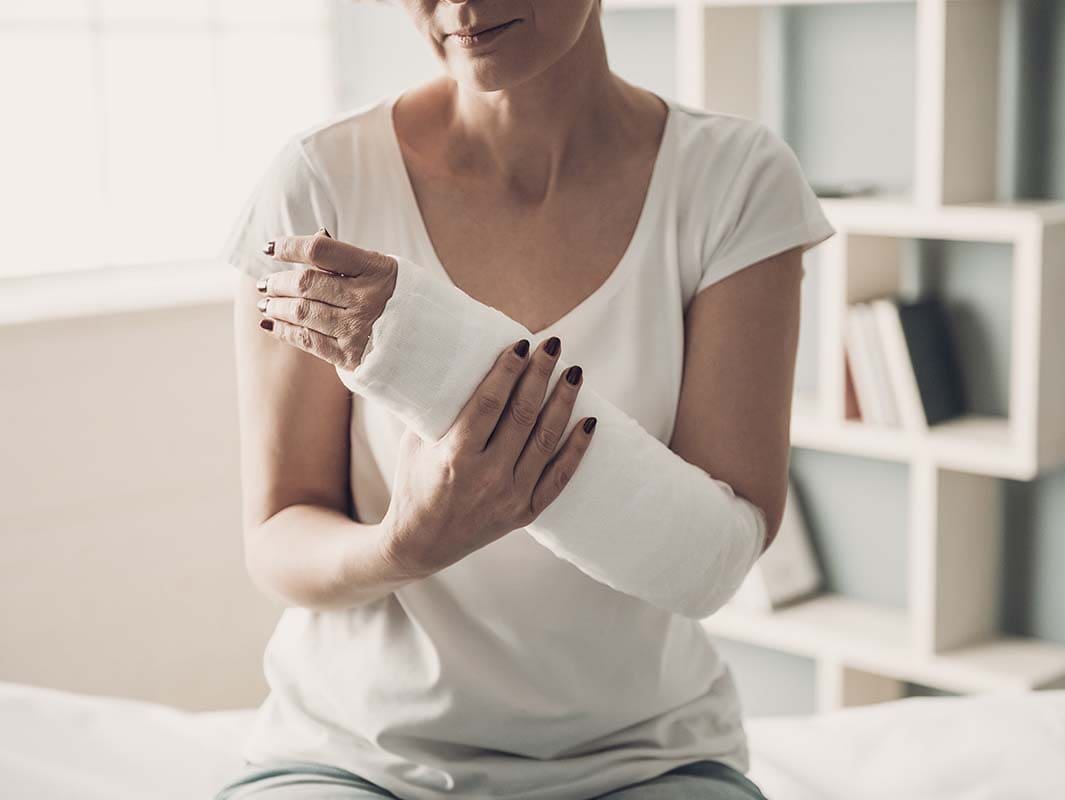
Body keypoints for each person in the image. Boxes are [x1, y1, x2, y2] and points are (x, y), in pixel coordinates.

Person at [215, 0, 834, 797]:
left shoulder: (735, 179)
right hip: (354, 753)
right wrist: (405, 547)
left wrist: (423, 349)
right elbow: (276, 537)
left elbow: (713, 558)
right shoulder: (318, 181)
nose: (461, 8)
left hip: (642, 758)